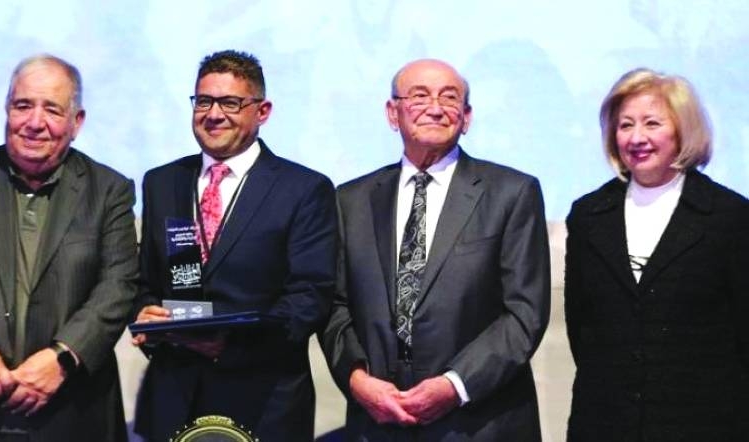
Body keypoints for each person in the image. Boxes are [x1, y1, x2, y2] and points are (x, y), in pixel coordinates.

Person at [0, 54, 138, 441]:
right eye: (22, 106)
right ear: (6, 110)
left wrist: (63, 357)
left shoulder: (109, 191)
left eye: (52, 109)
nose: (34, 122)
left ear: (77, 122)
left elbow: (119, 286)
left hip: (72, 413)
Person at [321, 59, 550, 441]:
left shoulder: (511, 193)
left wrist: (455, 385)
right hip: (379, 422)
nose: (435, 107)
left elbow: (524, 313)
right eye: (419, 96)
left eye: (449, 97)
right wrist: (357, 379)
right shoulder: (350, 200)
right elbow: (334, 305)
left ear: (466, 117)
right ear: (392, 113)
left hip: (480, 422)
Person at [131, 50, 337, 441]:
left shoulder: (304, 189)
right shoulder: (162, 182)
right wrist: (145, 313)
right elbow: (146, 282)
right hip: (174, 395)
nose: (213, 114)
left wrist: (226, 347)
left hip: (263, 401)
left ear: (263, 111)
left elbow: (310, 297)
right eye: (203, 101)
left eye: (230, 103)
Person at [564, 68, 749, 440]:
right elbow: (581, 327)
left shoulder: (729, 216)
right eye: (625, 125)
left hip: (705, 425)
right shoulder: (588, 215)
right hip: (604, 424)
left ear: (683, 130)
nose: (637, 138)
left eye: (652, 123)